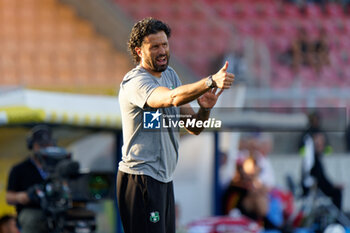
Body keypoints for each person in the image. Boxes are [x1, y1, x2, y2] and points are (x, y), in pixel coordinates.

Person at [117, 17, 234, 233]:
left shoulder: (170, 75)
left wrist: (205, 109)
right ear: (139, 51)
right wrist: (209, 81)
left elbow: (194, 127)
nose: (162, 51)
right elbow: (171, 98)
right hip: (141, 178)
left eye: (165, 44)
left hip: (164, 179)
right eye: (154, 47)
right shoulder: (135, 82)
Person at [6, 125, 55, 233]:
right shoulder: (19, 169)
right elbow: (8, 197)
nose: (45, 148)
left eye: (48, 144)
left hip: (56, 209)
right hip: (33, 210)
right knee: (31, 219)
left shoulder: (58, 167)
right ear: (32, 145)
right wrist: (21, 197)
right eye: (40, 145)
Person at [301, 132, 343, 210]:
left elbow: (322, 176)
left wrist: (332, 185)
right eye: (319, 144)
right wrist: (332, 186)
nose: (322, 146)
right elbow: (319, 178)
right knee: (337, 193)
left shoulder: (315, 158)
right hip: (317, 190)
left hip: (320, 187)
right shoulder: (312, 159)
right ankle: (336, 216)